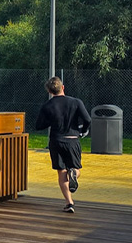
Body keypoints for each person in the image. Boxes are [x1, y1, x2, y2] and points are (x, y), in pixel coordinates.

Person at [34, 76, 91, 213]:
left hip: (56, 140)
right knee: (75, 168)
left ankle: (69, 203)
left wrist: (52, 121)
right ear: (63, 87)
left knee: (61, 172)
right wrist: (82, 131)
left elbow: (38, 126)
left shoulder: (47, 106)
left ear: (49, 91)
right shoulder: (76, 102)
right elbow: (88, 119)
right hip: (72, 139)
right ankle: (74, 174)